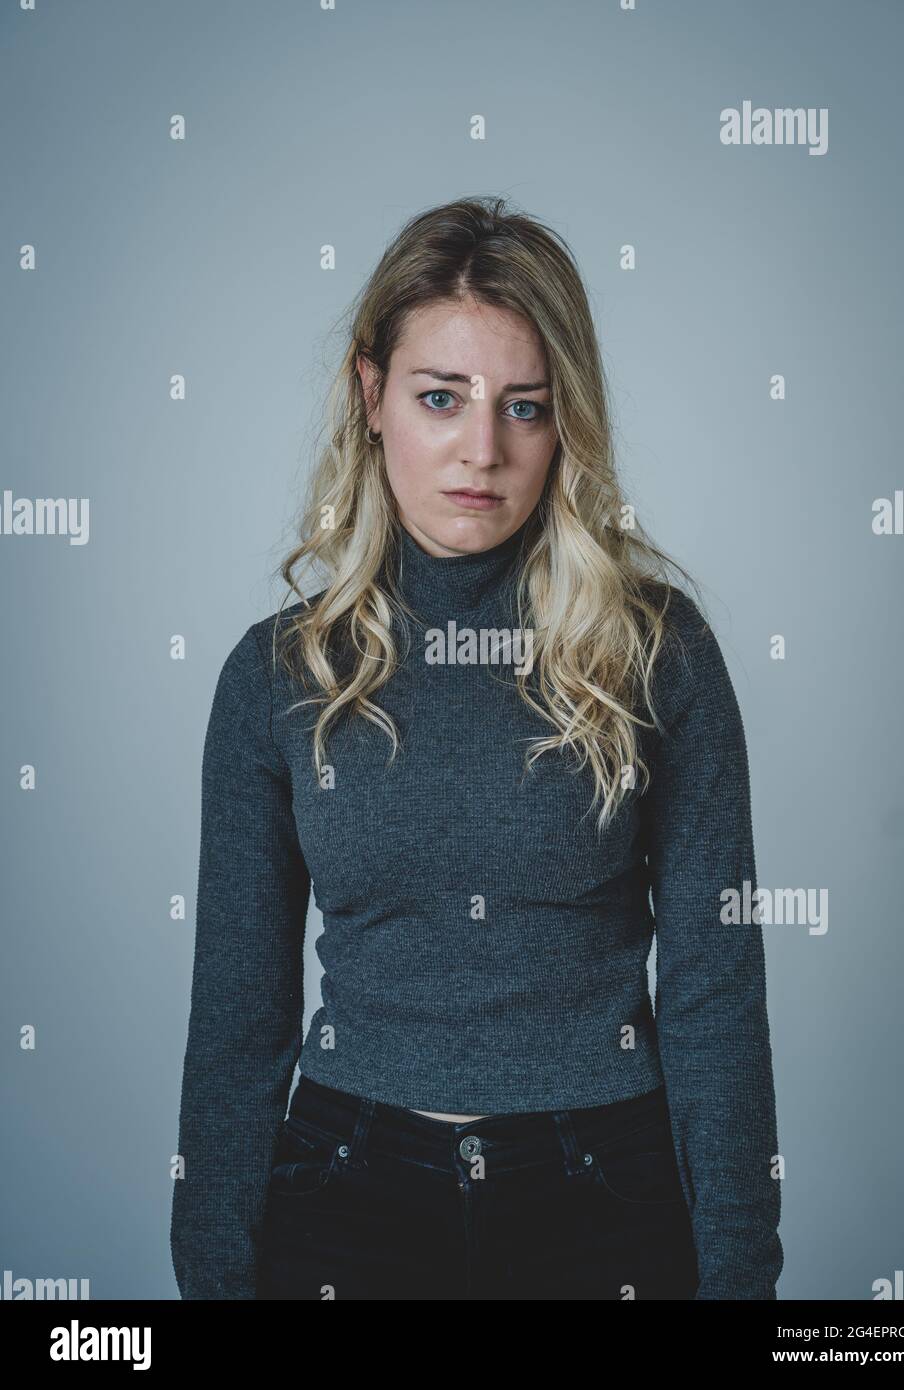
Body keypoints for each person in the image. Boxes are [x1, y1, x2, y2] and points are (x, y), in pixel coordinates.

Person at [169, 195, 784, 1301]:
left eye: (526, 407)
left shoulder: (657, 653)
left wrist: (741, 1279)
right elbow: (237, 1021)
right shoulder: (274, 678)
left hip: (605, 1192)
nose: (482, 451)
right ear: (371, 394)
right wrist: (214, 1279)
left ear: (566, 421)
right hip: (345, 1196)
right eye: (441, 397)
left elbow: (716, 999)